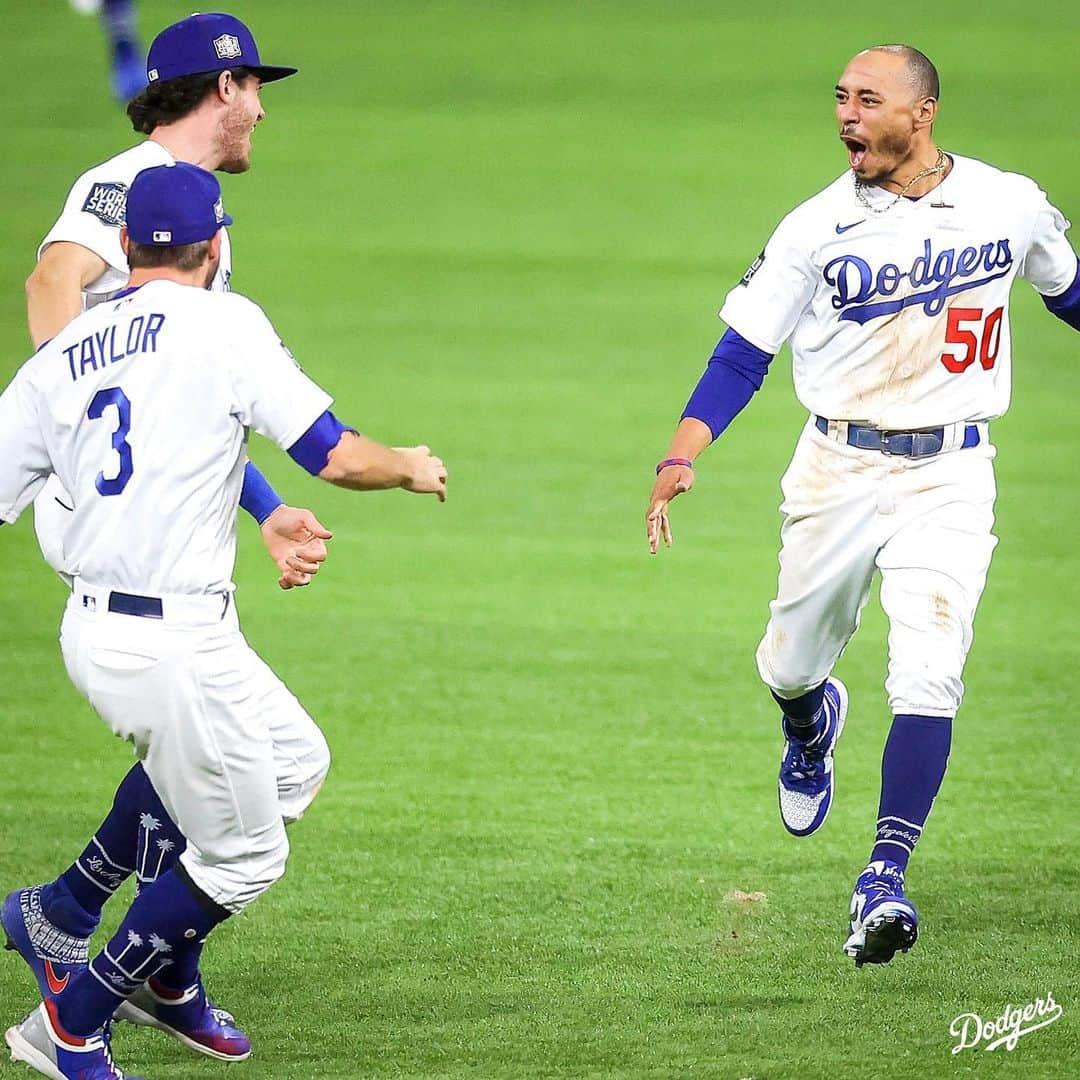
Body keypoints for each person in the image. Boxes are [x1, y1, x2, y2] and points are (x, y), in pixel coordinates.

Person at [1, 162, 449, 1080]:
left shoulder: (67, 354)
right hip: (169, 645)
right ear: (212, 250)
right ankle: (74, 1024)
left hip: (104, 630)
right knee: (244, 857)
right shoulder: (225, 324)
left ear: (125, 250)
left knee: (295, 762)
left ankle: (80, 919)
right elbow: (331, 453)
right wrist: (405, 463)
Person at [645, 44, 1079, 966]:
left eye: (867, 100)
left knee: (930, 671)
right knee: (791, 664)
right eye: (839, 98)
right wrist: (682, 454)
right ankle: (810, 725)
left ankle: (883, 877)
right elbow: (741, 356)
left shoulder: (1009, 202)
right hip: (836, 471)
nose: (847, 115)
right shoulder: (815, 229)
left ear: (920, 114)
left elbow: (1068, 291)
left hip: (952, 474)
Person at [3, 11, 329, 1062]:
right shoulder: (124, 185)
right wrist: (78, 394)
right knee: (218, 743)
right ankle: (109, 982)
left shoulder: (192, 213)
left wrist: (267, 503)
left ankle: (81, 919)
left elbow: (191, 404)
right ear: (220, 89)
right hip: (103, 509)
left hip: (139, 494)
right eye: (254, 88)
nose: (264, 106)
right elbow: (50, 285)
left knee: (235, 748)